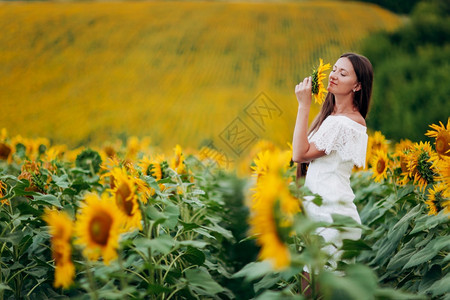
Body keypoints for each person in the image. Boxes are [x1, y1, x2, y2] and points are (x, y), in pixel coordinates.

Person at [291, 53, 373, 289]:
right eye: (334, 69)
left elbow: (299, 153)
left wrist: (303, 105)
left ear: (357, 86)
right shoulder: (332, 116)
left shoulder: (347, 122)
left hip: (333, 217)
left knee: (319, 289)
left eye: (343, 73)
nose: (334, 75)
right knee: (311, 287)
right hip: (319, 213)